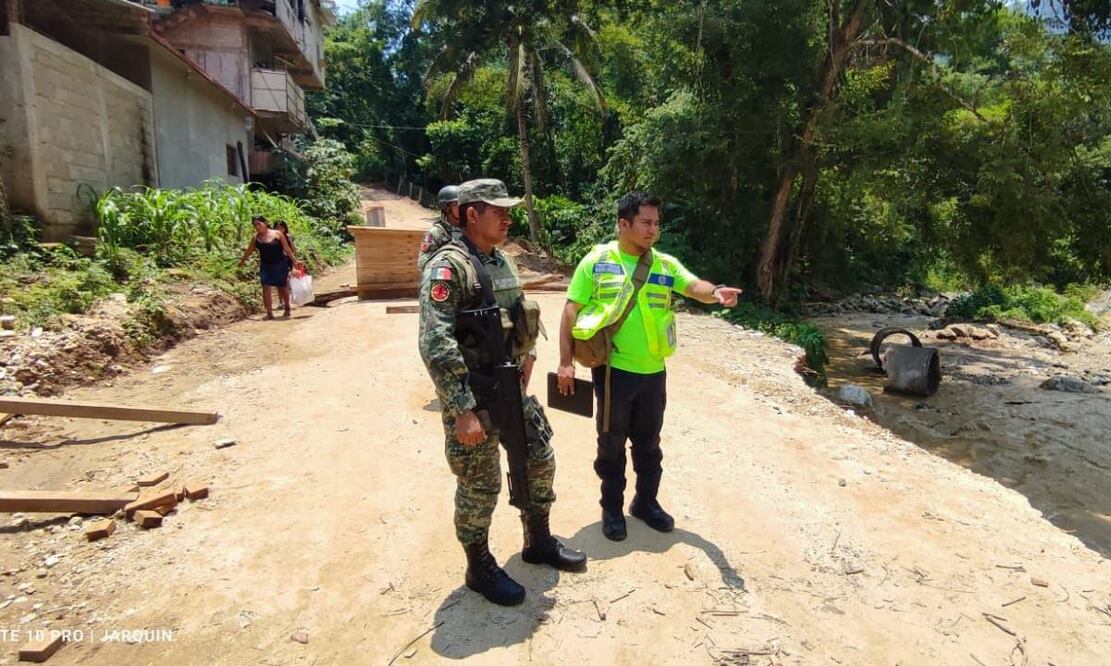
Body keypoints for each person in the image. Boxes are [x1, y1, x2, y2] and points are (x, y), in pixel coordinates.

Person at [418, 178, 586, 607]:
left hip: (511, 388)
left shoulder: (502, 261)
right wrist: (461, 409)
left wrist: (528, 354)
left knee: (538, 457)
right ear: (472, 215)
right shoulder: (448, 267)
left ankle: (538, 541)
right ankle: (479, 567)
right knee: (480, 485)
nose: (508, 218)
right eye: (499, 211)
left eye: (509, 211)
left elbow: (521, 314)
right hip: (473, 395)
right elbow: (435, 342)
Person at [556, 192, 742, 541]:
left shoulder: (665, 264)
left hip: (654, 373)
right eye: (646, 222)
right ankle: (612, 508)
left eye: (656, 223)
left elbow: (693, 286)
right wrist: (566, 362)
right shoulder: (597, 261)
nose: (653, 230)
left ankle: (645, 502)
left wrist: (715, 292)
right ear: (623, 224)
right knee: (611, 443)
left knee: (649, 443)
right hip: (613, 372)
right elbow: (571, 310)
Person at [238, 216, 301, 319]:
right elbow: (249, 251)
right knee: (266, 287)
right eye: (255, 225)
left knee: (282, 287)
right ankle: (269, 313)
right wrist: (242, 261)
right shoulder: (255, 238)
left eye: (259, 224)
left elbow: (287, 249)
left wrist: (295, 261)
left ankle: (287, 307)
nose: (257, 227)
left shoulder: (277, 234)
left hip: (280, 264)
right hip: (266, 266)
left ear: (265, 223)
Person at [417, 185, 461, 270]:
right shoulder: (436, 232)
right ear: (446, 208)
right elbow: (423, 262)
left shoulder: (468, 231)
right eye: (456, 204)